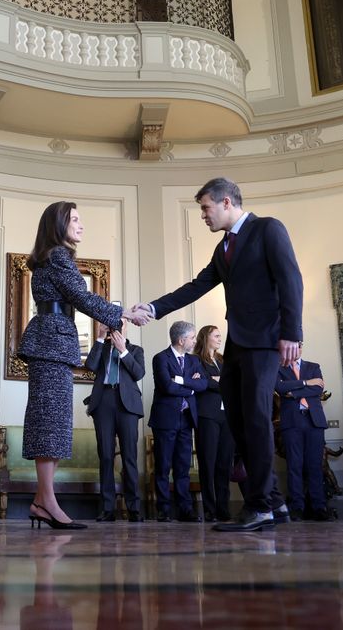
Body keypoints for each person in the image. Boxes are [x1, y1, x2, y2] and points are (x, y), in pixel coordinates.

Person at [132, 177, 303, 532]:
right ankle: (273, 500)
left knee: (255, 418)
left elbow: (291, 279)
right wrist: (153, 307)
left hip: (265, 341)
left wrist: (292, 333)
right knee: (239, 422)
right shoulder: (224, 247)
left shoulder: (267, 229)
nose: (203, 216)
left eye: (206, 208)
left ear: (227, 202)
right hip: (237, 345)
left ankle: (259, 507)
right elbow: (197, 286)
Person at [18, 201, 139, 530]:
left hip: (53, 344)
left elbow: (77, 297)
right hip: (51, 344)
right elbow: (82, 297)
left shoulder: (54, 256)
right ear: (58, 225)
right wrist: (122, 313)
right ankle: (46, 501)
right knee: (49, 424)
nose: (81, 224)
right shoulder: (57, 255)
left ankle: (44, 500)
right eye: (74, 219)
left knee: (54, 424)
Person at [84, 320, 146, 523]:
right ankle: (108, 508)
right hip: (103, 403)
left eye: (121, 324)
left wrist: (123, 350)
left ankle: (134, 508)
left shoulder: (136, 350)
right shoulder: (101, 348)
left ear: (126, 327)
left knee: (129, 457)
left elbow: (138, 373)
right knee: (107, 456)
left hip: (127, 405)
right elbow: (90, 366)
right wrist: (100, 337)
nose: (117, 327)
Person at [148, 321, 207, 523]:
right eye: (192, 337)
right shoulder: (160, 358)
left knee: (183, 467)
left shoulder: (194, 360)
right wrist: (191, 385)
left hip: (186, 419)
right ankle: (163, 509)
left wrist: (181, 381)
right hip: (165, 420)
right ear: (181, 340)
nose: (195, 341)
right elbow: (166, 386)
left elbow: (203, 384)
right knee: (163, 466)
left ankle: (185, 510)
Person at [275, 347, 329, 521]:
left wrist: (294, 392)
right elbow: (281, 388)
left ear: (301, 347)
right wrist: (306, 383)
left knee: (315, 465)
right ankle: (297, 507)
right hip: (292, 422)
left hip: (314, 421)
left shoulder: (314, 367)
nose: (295, 349)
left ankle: (318, 507)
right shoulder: (278, 368)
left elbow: (318, 390)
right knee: (294, 466)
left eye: (298, 345)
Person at [192, 325, 235, 522]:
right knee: (208, 463)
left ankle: (223, 508)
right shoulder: (195, 360)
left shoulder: (223, 360)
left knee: (225, 464)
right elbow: (202, 382)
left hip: (227, 416)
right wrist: (219, 382)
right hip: (207, 415)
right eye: (216, 335)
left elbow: (232, 382)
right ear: (206, 338)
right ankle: (209, 508)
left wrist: (217, 380)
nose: (220, 338)